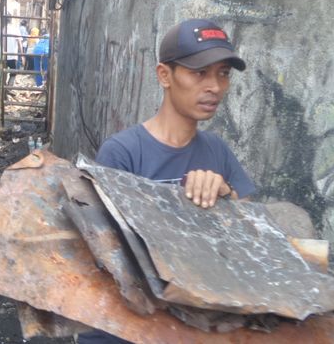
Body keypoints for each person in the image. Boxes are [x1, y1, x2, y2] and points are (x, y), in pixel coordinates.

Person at [79, 18, 256, 344]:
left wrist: (225, 196)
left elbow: (251, 240)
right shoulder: (122, 153)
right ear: (165, 75)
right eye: (199, 72)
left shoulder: (217, 151)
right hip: (127, 331)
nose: (214, 86)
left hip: (191, 330)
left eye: (223, 74)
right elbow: (109, 260)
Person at [4, 18, 23, 87]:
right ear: (11, 20)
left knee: (3, 73)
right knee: (13, 73)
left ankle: (4, 88)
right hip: (12, 56)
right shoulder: (15, 29)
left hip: (3, 56)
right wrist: (22, 55)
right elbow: (19, 43)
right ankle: (9, 88)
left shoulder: (2, 29)